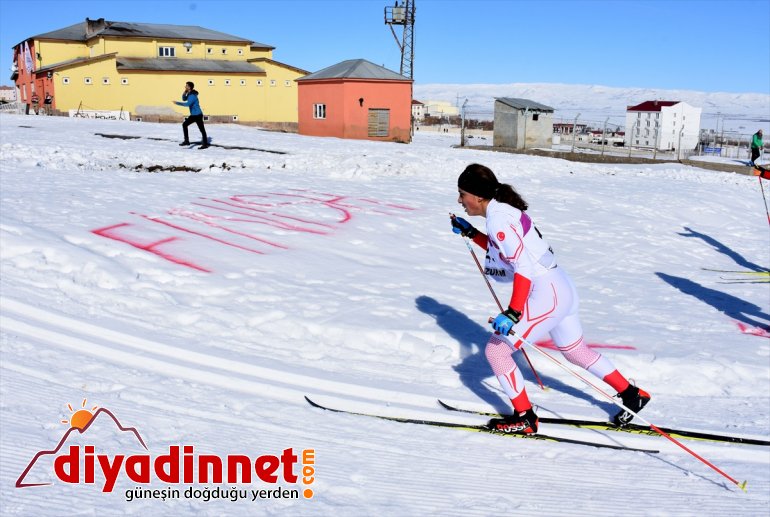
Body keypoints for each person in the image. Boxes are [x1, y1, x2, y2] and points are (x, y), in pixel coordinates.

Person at [450, 163, 650, 434]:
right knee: (574, 350)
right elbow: (507, 250)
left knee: (497, 350)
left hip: (546, 292)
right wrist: (472, 234)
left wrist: (513, 312)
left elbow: (522, 267)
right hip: (559, 286)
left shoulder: (498, 219)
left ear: (477, 196)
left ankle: (525, 417)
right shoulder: (501, 211)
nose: (460, 200)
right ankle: (631, 395)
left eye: (462, 193)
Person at [173, 81, 209, 149]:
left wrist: (177, 103)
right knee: (184, 124)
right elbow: (184, 99)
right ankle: (186, 141)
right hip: (193, 115)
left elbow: (187, 104)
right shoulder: (189, 94)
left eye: (186, 86)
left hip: (198, 115)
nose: (185, 86)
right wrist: (184, 92)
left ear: (189, 87)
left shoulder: (192, 96)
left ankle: (205, 144)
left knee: (202, 129)